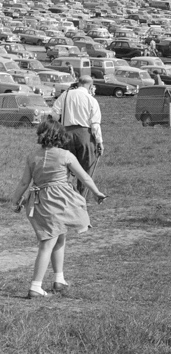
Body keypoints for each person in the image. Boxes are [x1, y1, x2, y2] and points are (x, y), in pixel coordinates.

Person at [10, 120, 106, 298]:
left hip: (40, 202)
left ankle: (59, 279)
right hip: (60, 201)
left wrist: (16, 200)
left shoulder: (33, 156)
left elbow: (25, 182)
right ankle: (35, 286)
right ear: (61, 136)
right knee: (47, 243)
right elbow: (84, 177)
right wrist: (96, 192)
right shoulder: (65, 155)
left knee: (59, 236)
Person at [51, 76, 104, 195]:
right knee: (85, 169)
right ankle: (81, 197)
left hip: (66, 134)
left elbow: (54, 114)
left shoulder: (66, 94)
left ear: (78, 83)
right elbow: (95, 125)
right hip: (85, 135)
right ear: (90, 86)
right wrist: (99, 142)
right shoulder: (91, 100)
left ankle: (63, 195)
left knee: (65, 168)